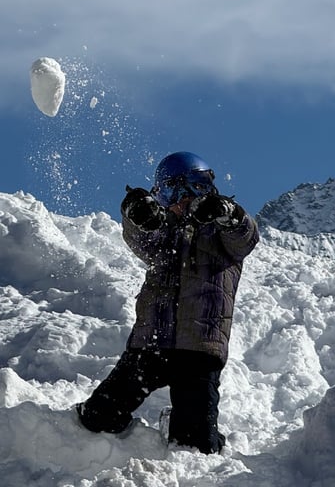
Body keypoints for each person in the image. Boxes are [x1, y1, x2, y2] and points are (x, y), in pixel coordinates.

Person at [76, 151, 260, 454]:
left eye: (195, 187)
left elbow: (246, 235)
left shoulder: (221, 235)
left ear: (208, 188)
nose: (184, 199)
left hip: (198, 351)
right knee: (98, 417)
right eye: (172, 191)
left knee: (194, 448)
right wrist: (134, 213)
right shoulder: (164, 233)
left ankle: (197, 431)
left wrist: (228, 212)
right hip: (150, 346)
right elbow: (142, 239)